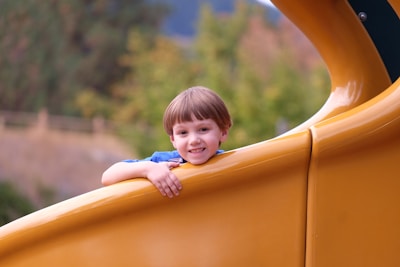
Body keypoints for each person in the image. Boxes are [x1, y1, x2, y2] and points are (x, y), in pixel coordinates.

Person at [102, 86, 232, 198]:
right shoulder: (167, 163)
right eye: (183, 133)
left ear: (223, 132)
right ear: (173, 139)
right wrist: (148, 169)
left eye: (203, 129)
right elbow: (108, 177)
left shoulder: (231, 162)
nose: (193, 140)